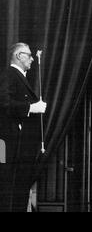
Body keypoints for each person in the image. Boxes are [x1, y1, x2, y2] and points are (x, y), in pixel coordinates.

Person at [0, 42, 47, 212]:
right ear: (19, 56)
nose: (32, 59)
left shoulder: (18, 76)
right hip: (8, 142)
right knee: (7, 185)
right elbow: (4, 103)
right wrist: (30, 108)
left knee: (16, 186)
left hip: (17, 144)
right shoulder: (9, 74)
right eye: (29, 55)